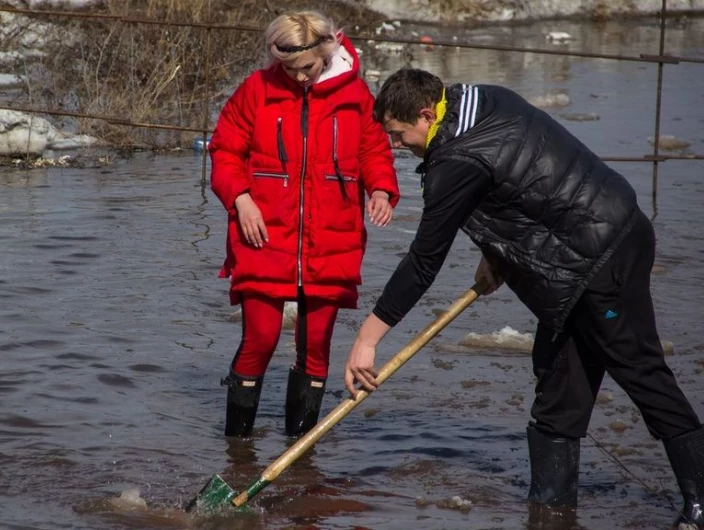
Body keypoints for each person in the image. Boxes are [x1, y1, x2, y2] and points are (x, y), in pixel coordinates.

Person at [342, 67, 703, 528]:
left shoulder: (454, 159)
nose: (396, 146)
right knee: (558, 388)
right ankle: (551, 511)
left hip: (602, 254)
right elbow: (518, 180)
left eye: (397, 134)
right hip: (580, 255)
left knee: (640, 370)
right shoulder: (481, 98)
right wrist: (497, 252)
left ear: (426, 113)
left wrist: (367, 339)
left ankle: (699, 499)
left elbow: (423, 263)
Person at [209, 11, 399, 439]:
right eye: (288, 68)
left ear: (326, 51)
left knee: (315, 349)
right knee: (259, 339)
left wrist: (381, 190)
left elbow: (374, 152)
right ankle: (237, 449)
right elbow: (224, 150)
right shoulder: (257, 90)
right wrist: (241, 200)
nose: (297, 77)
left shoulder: (355, 95)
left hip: (334, 237)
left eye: (306, 68)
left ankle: (300, 453)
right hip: (263, 236)